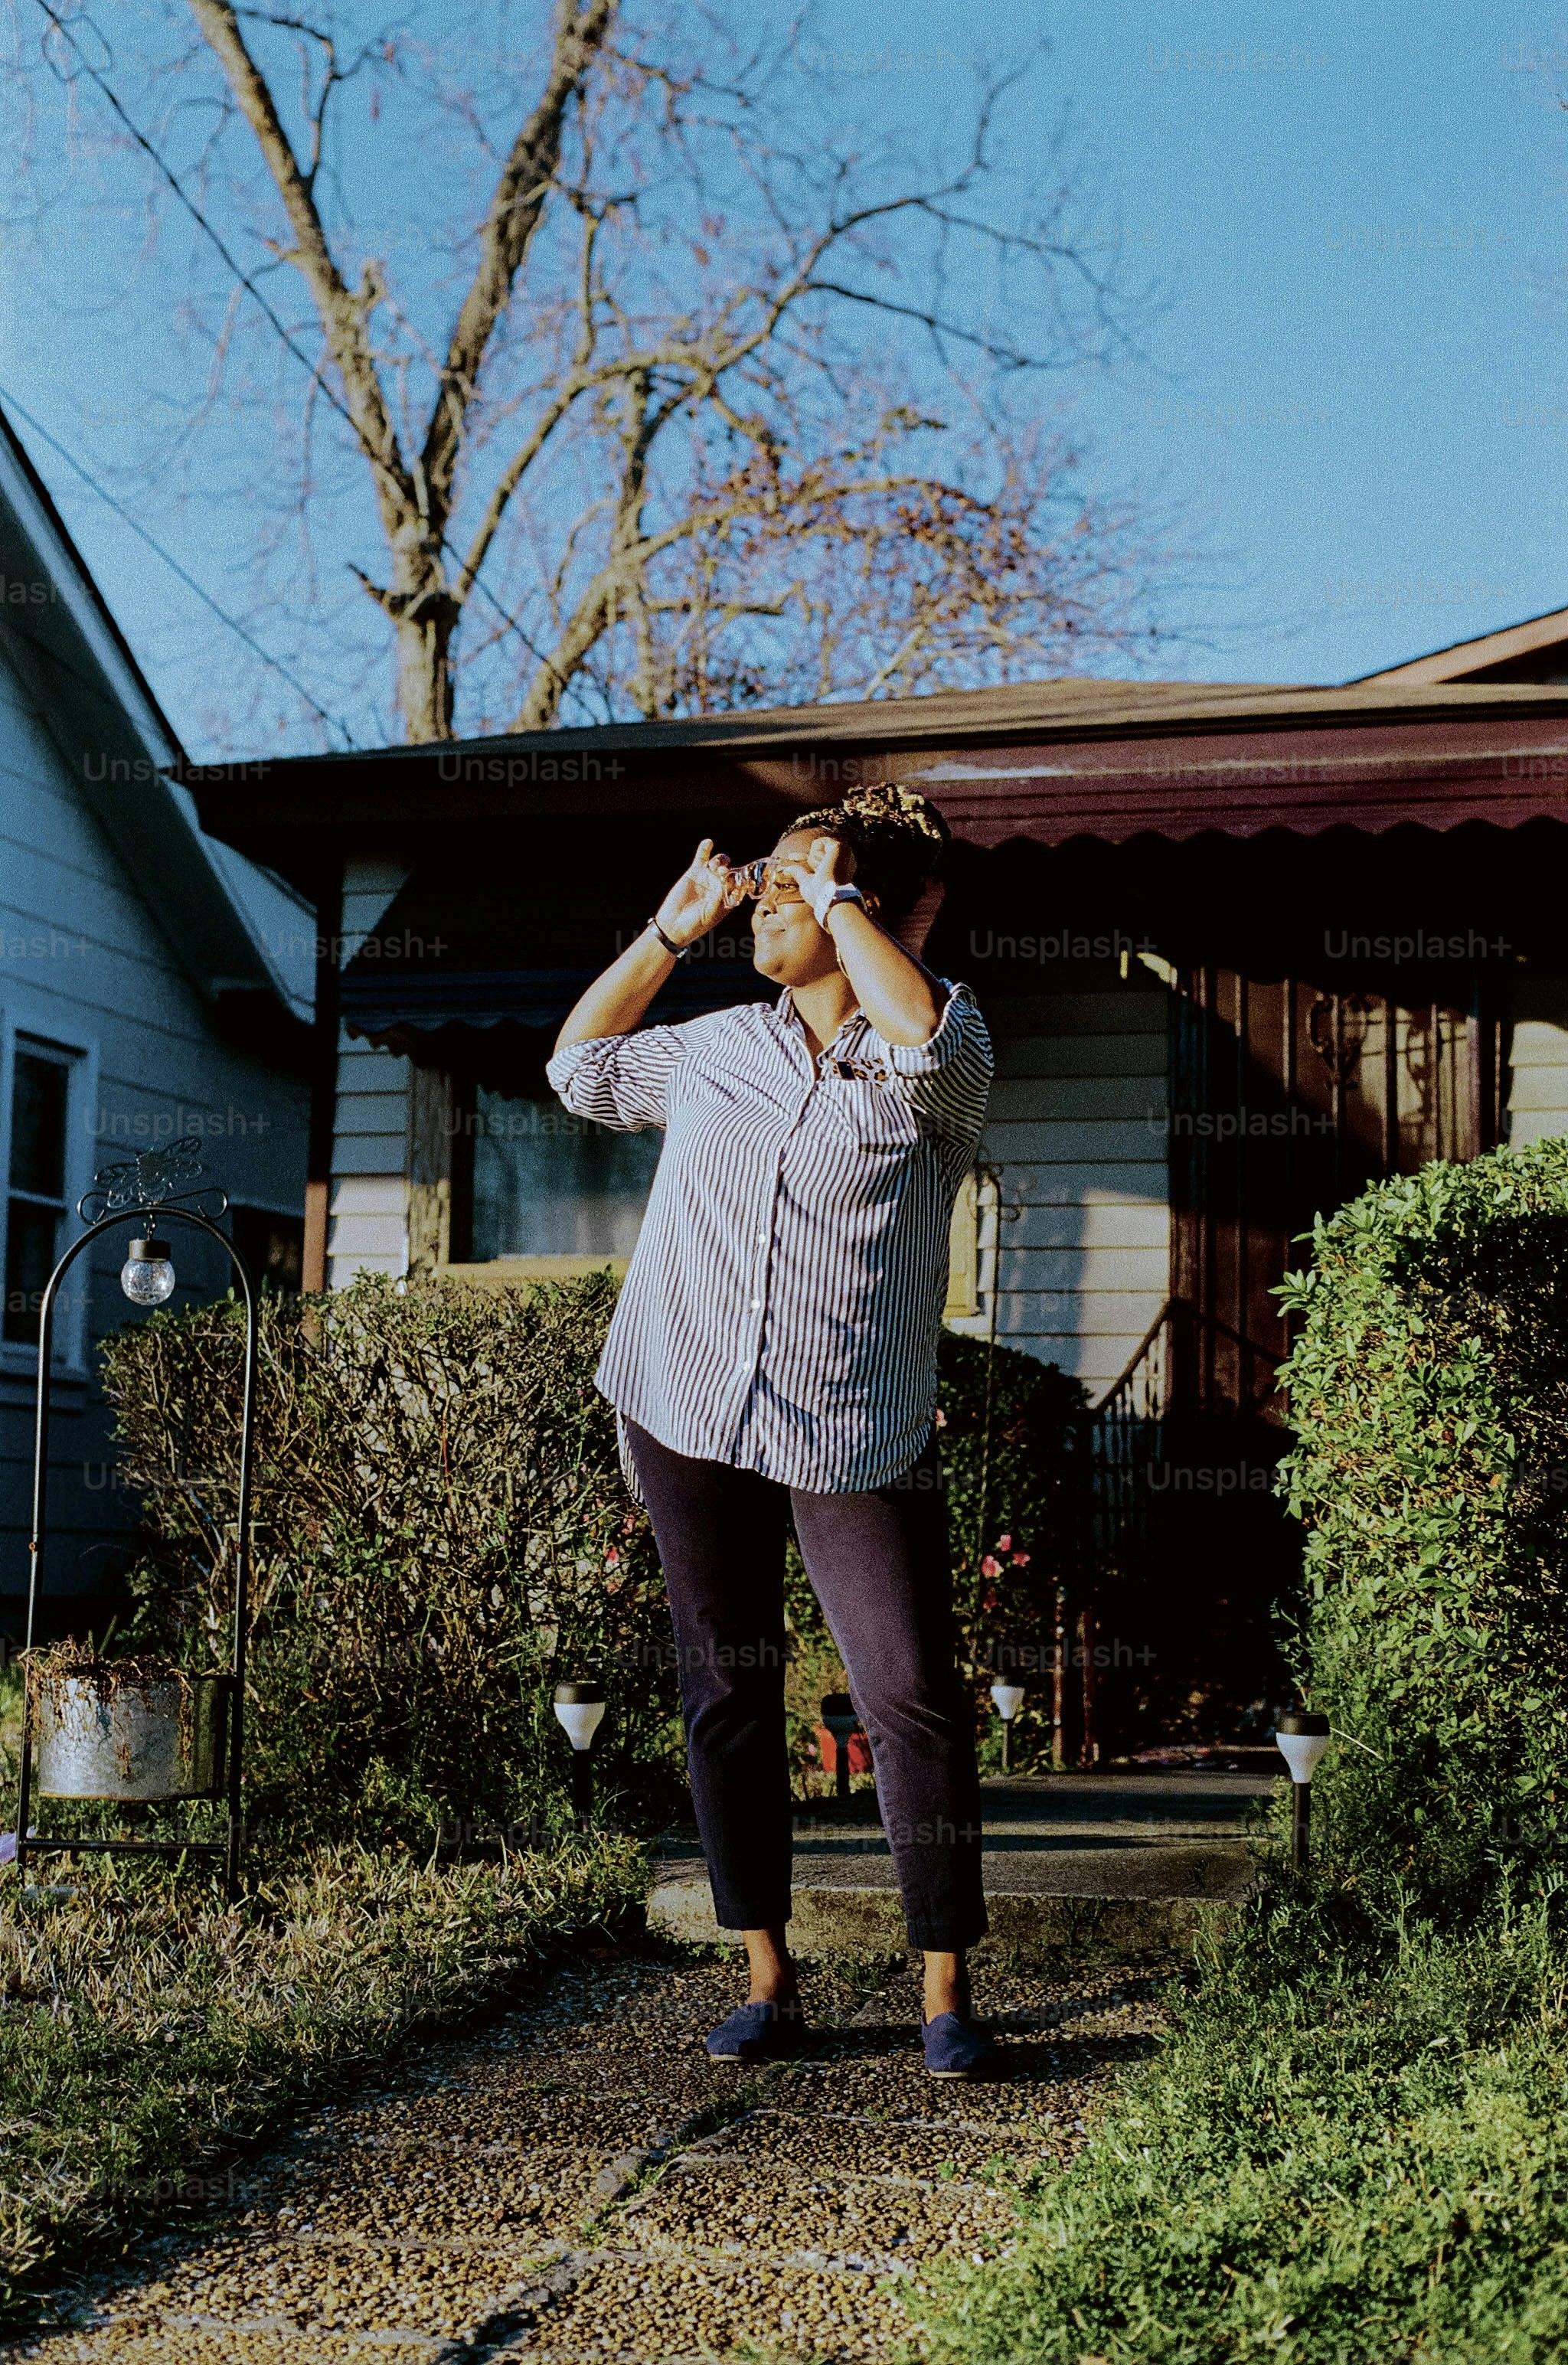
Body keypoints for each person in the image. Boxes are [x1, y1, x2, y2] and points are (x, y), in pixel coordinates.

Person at [547, 781, 995, 2077]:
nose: (773, 903)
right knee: (727, 1690)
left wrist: (841, 889)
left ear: (885, 904)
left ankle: (945, 1992)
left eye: (801, 885)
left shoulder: (944, 1048)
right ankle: (767, 1975)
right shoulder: (716, 1046)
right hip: (686, 1399)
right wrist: (671, 928)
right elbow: (576, 1071)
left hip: (855, 1425)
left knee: (909, 1693)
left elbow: (908, 1025)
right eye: (775, 880)